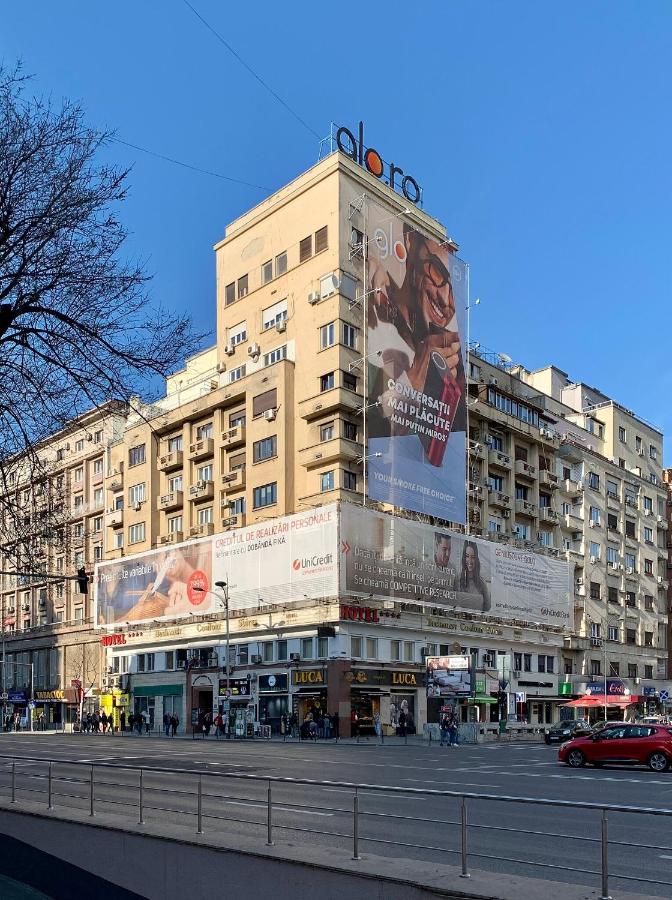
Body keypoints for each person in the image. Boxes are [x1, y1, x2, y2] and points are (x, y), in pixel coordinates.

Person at [458, 541, 491, 612]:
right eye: (467, 556)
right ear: (464, 557)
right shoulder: (458, 579)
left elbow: (487, 607)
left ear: (476, 559)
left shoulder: (482, 583)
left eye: (473, 557)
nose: (470, 561)